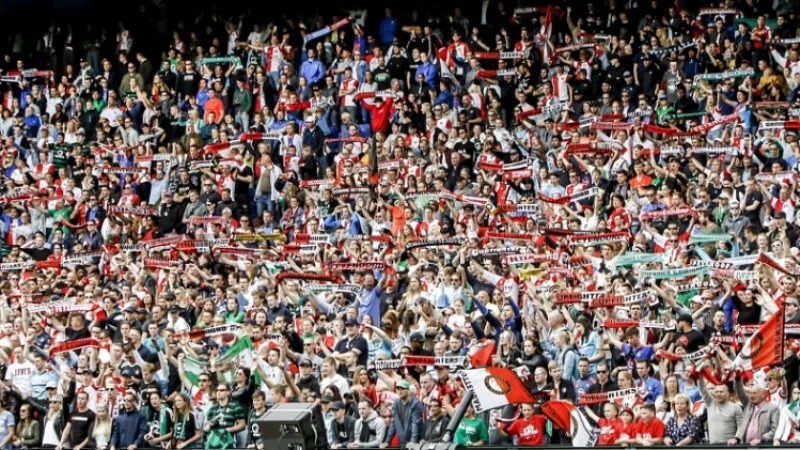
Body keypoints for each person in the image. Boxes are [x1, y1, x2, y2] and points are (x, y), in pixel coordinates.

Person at [204, 382, 246, 450]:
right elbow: (207, 425)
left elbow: (242, 425)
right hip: (213, 441)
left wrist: (226, 430)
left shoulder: (235, 406)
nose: (218, 392)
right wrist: (208, 426)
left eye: (222, 390)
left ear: (228, 392)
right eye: (217, 390)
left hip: (227, 442)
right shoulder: (212, 408)